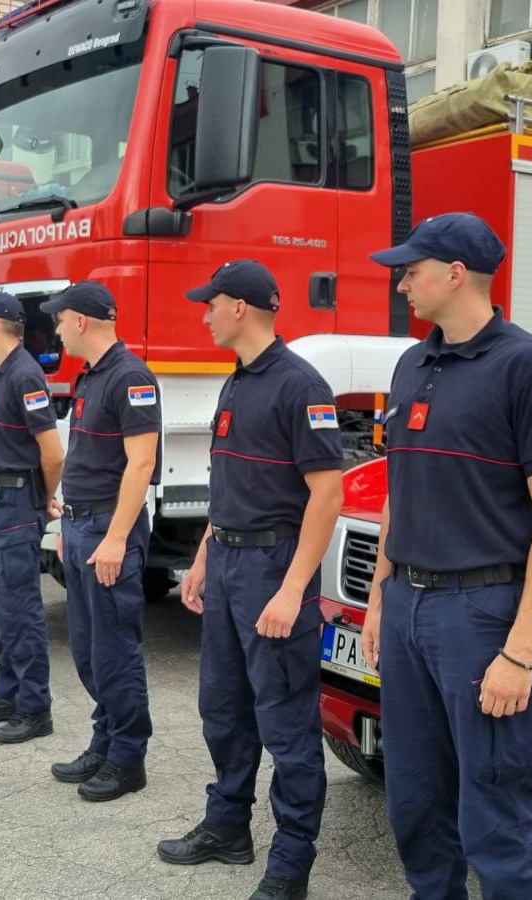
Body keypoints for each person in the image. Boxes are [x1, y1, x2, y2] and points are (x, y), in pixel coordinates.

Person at [365, 213, 532, 900]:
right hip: (407, 605)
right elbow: (398, 489)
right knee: (414, 800)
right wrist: (378, 598)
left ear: (456, 274)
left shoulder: (531, 367)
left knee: (494, 812)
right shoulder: (411, 364)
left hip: (481, 615)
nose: (403, 283)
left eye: (413, 270)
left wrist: (519, 652)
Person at [157, 261, 344, 900]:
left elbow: (327, 495)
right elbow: (229, 485)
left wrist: (292, 590)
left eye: (209, 304)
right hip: (230, 563)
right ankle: (228, 826)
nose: (203, 314)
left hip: (273, 568)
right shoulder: (236, 382)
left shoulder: (300, 385)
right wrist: (204, 556)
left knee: (286, 723)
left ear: (239, 307)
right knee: (224, 709)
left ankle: (291, 865)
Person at [39, 281, 159, 801]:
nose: (57, 328)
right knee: (89, 651)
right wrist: (68, 523)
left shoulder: (130, 376)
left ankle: (128, 758)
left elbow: (142, 463)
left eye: (60, 319)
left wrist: (114, 538)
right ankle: (105, 740)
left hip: (108, 530)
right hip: (81, 526)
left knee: (115, 651)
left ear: (81, 321)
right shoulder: (92, 376)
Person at [0, 292, 63, 743]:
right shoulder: (3, 372)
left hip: (17, 501)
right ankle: (10, 691)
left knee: (19, 610)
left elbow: (52, 453)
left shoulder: (24, 374)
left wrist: (44, 498)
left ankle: (35, 707)